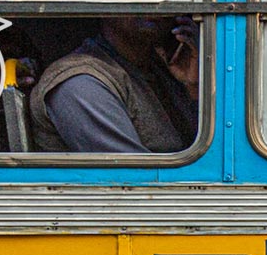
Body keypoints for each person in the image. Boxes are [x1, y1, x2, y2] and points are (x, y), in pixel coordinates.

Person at [31, 17, 199, 153]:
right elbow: (134, 182)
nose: (155, 2)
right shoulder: (81, 82)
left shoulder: (158, 69)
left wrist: (193, 87)